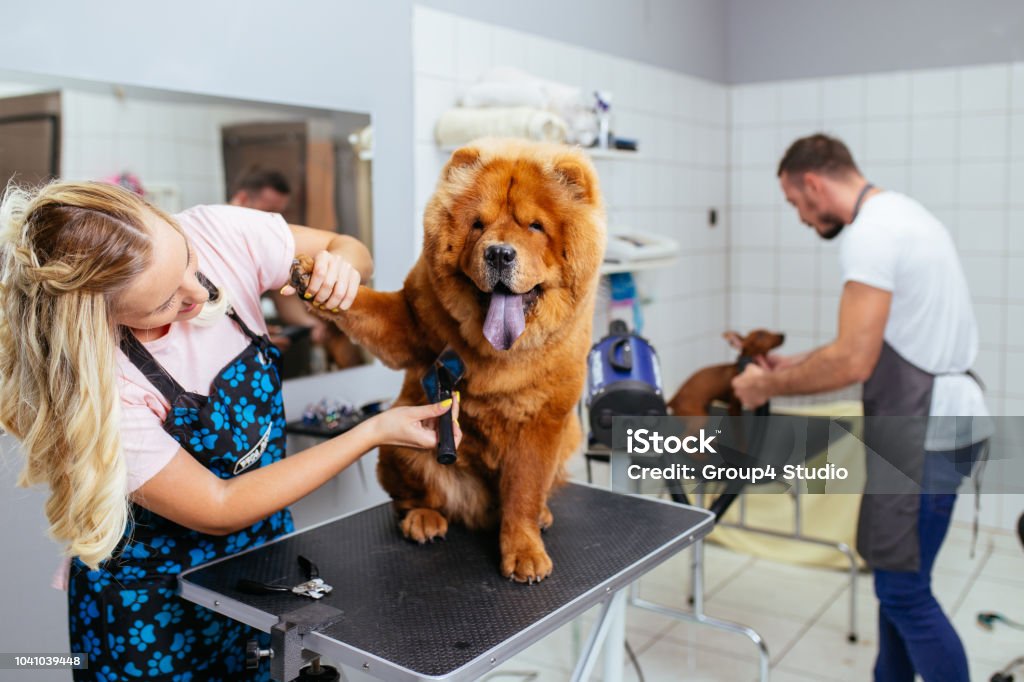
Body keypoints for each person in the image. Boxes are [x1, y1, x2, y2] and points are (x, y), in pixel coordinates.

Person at [0, 180, 460, 681]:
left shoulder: (216, 232)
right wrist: (371, 432)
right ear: (102, 318)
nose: (200, 292)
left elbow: (347, 248)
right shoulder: (101, 384)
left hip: (264, 564)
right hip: (150, 603)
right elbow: (218, 506)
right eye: (166, 304)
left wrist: (339, 268)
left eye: (189, 264)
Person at [732, 134, 989, 682]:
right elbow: (883, 342)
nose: (800, 216)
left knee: (903, 591)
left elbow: (852, 360)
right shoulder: (904, 216)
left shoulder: (869, 235)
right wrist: (792, 363)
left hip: (928, 431)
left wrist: (764, 390)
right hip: (943, 420)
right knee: (896, 585)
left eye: (795, 203)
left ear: (813, 184)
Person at [228, 166, 331, 357]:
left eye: (278, 214)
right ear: (241, 199)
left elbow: (282, 294)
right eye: (268, 211)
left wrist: (310, 323)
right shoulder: (217, 240)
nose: (274, 222)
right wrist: (246, 338)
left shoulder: (264, 241)